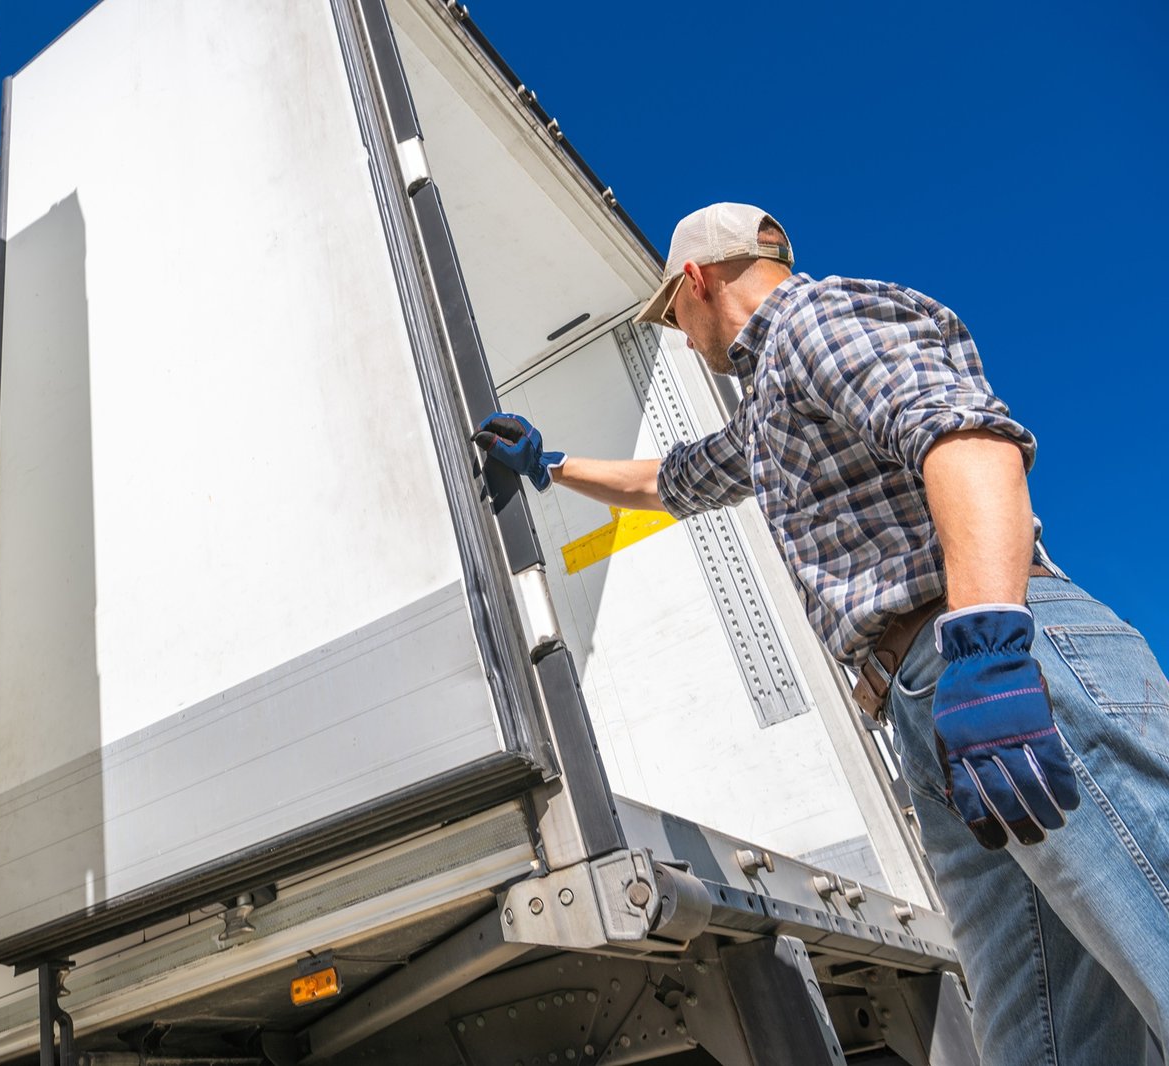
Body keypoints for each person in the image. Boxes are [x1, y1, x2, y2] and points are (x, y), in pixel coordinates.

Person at [472, 203, 1169, 1065]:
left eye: (675, 318)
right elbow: (671, 480)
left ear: (697, 281)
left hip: (1006, 657)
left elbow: (967, 443)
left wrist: (989, 647)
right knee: (1048, 1041)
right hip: (939, 698)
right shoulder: (771, 407)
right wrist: (549, 466)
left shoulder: (812, 320)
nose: (683, 339)